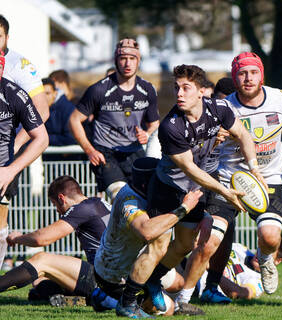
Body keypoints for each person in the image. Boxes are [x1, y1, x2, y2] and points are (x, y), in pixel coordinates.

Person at [141, 64, 265, 315]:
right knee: (160, 245)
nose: (179, 93)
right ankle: (134, 292)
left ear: (201, 91)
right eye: (177, 88)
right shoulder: (171, 126)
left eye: (186, 88)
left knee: (185, 245)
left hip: (194, 191)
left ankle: (152, 280)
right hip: (168, 189)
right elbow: (189, 168)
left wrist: (255, 168)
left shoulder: (219, 109)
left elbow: (242, 134)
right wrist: (226, 192)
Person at [200, 52, 282, 304]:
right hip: (228, 180)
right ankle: (195, 292)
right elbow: (200, 142)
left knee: (270, 238)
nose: (248, 78)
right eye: (242, 73)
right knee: (212, 238)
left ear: (261, 75)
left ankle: (265, 260)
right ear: (235, 77)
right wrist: (214, 138)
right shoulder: (223, 107)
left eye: (253, 72)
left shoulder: (281, 98)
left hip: (269, 179)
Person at [93, 157, 203, 318]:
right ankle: (106, 299)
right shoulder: (130, 201)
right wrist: (184, 208)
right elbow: (147, 231)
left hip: (138, 262)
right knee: (168, 310)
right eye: (159, 180)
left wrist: (203, 214)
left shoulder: (154, 195)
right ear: (148, 183)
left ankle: (152, 281)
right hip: (114, 274)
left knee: (179, 283)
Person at [69, 38, 160, 203]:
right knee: (121, 199)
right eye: (123, 58)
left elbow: (154, 124)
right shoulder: (99, 89)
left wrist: (147, 134)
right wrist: (90, 150)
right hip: (106, 154)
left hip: (134, 152)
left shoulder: (147, 89)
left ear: (138, 61)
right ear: (115, 60)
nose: (127, 63)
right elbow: (74, 120)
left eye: (132, 59)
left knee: (145, 200)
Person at [0, 176, 111, 305]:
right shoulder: (98, 202)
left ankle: (100, 297)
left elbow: (41, 239)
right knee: (40, 282)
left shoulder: (81, 209)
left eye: (55, 205)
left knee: (42, 259)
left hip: (106, 279)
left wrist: (17, 238)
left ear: (61, 198)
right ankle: (82, 300)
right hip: (115, 275)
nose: (58, 211)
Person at [0, 52, 48, 271]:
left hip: (2, 172)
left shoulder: (14, 94)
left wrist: (11, 169)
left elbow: (42, 138)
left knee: (0, 232)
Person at [0, 15, 49, 154]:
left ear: (7, 38)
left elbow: (42, 110)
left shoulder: (20, 65)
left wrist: (15, 145)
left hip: (7, 145)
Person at [42, 78, 76, 147]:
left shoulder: (68, 109)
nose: (44, 97)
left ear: (55, 93)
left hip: (70, 156)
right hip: (47, 155)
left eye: (47, 93)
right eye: (41, 94)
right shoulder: (35, 108)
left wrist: (41, 139)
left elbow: (70, 138)